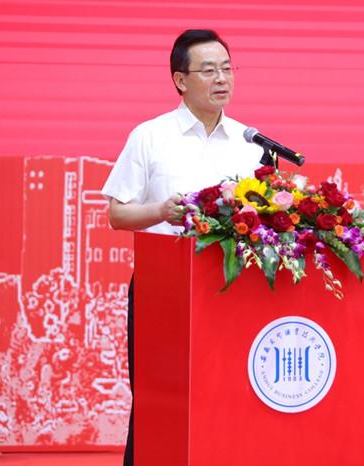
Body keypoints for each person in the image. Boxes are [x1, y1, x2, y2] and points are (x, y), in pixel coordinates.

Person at [101, 29, 261, 466]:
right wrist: (161, 212)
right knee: (158, 399)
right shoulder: (150, 136)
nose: (221, 79)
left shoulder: (249, 144)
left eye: (227, 68)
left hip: (230, 290)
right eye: (208, 70)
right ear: (180, 79)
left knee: (229, 395)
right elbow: (117, 214)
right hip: (164, 290)